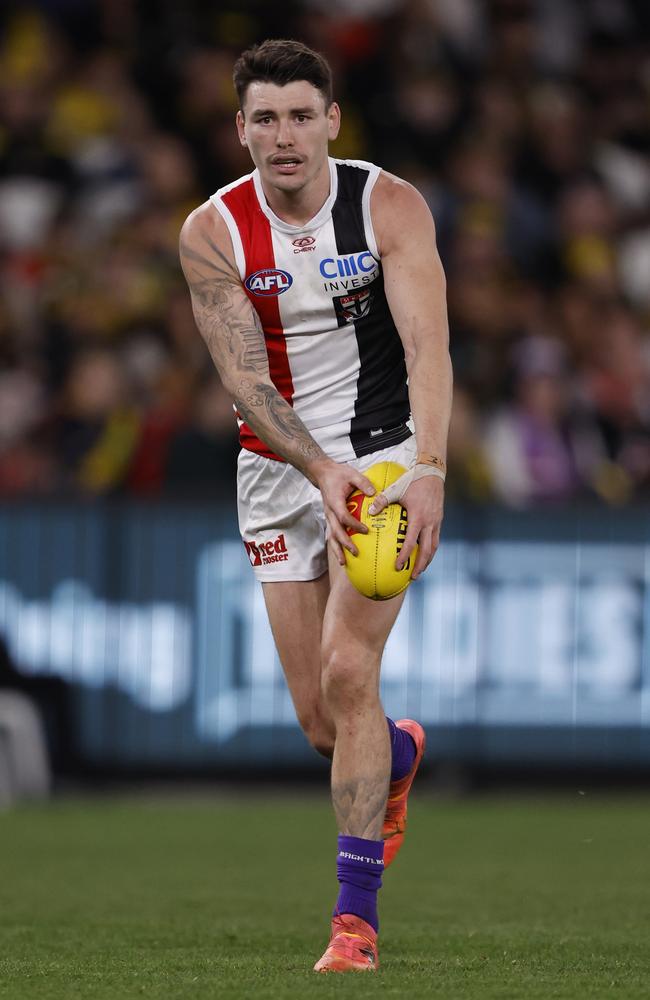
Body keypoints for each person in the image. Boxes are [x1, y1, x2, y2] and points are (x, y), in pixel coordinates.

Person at [179, 38, 452, 973]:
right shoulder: (212, 231)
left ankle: (354, 925)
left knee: (348, 671)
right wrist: (314, 467)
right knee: (322, 720)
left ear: (332, 120)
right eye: (265, 118)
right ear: (241, 129)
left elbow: (427, 350)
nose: (284, 135)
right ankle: (399, 758)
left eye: (301, 115)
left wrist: (431, 471)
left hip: (381, 455)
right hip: (276, 469)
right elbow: (244, 381)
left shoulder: (388, 204)